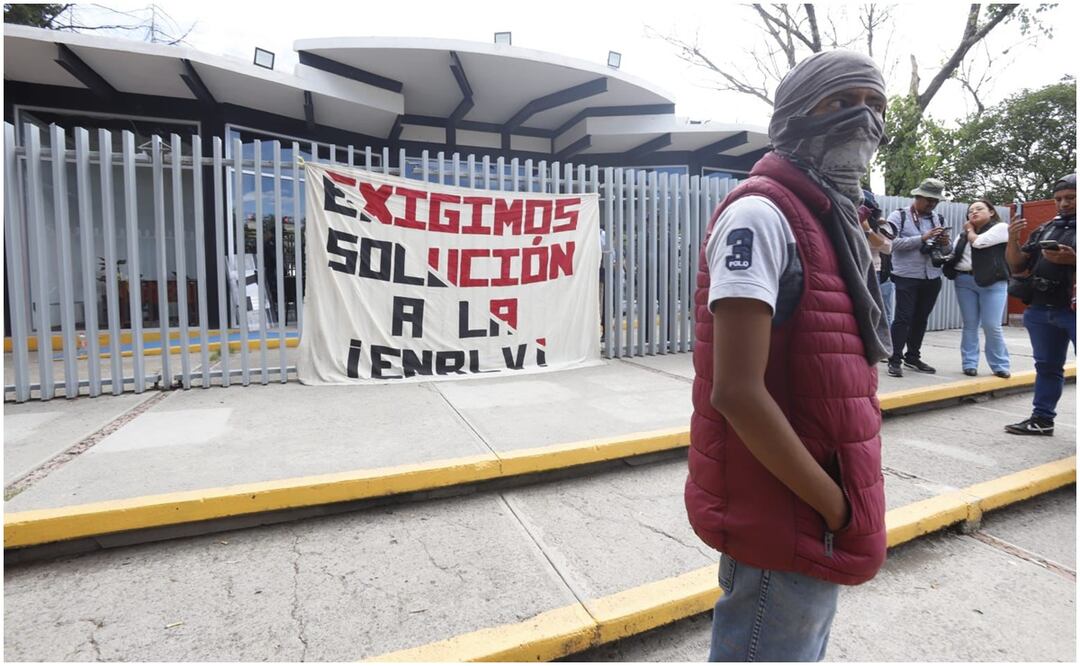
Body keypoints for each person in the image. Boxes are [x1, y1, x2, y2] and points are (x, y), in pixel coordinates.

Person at [685, 50, 890, 662]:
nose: (862, 120)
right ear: (796, 113)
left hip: (816, 494)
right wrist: (831, 503)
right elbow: (737, 391)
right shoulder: (762, 214)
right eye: (839, 102)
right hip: (791, 505)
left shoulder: (831, 218)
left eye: (874, 105)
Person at [1004, 174, 1076, 436]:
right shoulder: (1046, 227)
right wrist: (1012, 238)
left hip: (1072, 311)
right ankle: (1042, 420)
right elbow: (1017, 264)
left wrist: (1073, 260)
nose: (1064, 204)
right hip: (1041, 308)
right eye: (1059, 199)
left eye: (1071, 198)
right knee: (1046, 367)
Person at [885, 178, 952, 377]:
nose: (931, 204)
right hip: (906, 275)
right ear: (917, 196)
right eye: (928, 199)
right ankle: (894, 359)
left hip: (932, 275)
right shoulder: (899, 216)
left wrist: (945, 242)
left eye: (935, 201)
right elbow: (891, 244)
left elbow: (946, 250)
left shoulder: (939, 219)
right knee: (903, 318)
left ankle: (912, 357)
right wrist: (922, 238)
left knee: (921, 319)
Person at [943, 199, 1011, 377]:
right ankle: (969, 363)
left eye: (979, 209)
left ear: (991, 212)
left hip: (993, 282)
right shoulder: (963, 234)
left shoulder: (1001, 227)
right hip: (965, 281)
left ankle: (1000, 365)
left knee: (991, 325)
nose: (973, 212)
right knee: (970, 324)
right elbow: (954, 254)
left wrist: (970, 230)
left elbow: (980, 242)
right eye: (970, 210)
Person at [860, 188, 895, 327]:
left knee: (882, 315)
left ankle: (885, 347)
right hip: (854, 270)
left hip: (876, 272)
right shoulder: (845, 219)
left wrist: (867, 230)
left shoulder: (880, 224)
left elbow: (887, 248)